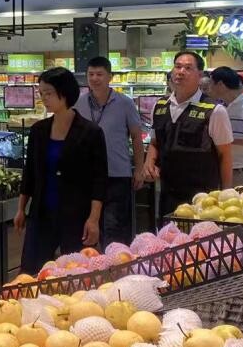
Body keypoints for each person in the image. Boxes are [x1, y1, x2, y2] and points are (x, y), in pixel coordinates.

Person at [14, 67, 107, 274]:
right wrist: (21, 208)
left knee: (76, 273)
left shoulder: (90, 132)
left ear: (64, 93)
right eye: (41, 93)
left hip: (76, 215)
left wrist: (94, 219)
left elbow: (99, 180)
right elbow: (30, 173)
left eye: (48, 93)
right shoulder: (38, 131)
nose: (44, 98)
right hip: (42, 213)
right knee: (32, 271)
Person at [141, 51, 234, 220]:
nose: (181, 71)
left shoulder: (214, 110)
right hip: (167, 193)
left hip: (203, 198)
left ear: (200, 75)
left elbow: (225, 155)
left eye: (188, 68)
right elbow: (155, 142)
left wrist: (226, 195)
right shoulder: (160, 106)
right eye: (178, 67)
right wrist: (149, 161)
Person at [73, 56, 146, 247]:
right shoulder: (79, 103)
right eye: (91, 74)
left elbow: (136, 137)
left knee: (114, 228)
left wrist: (139, 169)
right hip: (87, 177)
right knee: (87, 228)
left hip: (117, 174)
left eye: (99, 74)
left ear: (110, 77)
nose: (94, 78)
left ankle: (116, 261)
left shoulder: (125, 103)